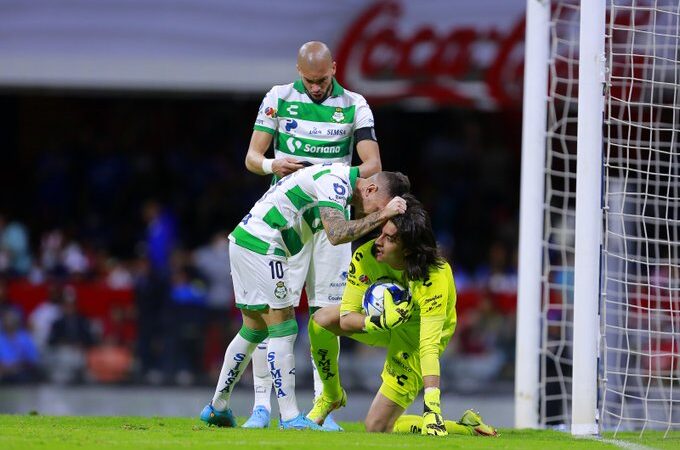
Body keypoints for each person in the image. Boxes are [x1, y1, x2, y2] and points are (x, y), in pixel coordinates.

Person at [199, 163, 409, 430]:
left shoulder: (336, 183)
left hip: (245, 241)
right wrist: (384, 214)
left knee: (252, 329)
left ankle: (217, 407)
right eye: (381, 207)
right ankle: (289, 417)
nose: (381, 215)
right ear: (370, 188)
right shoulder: (336, 181)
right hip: (264, 244)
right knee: (284, 327)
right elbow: (336, 234)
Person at [242, 40, 382, 430]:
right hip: (285, 220)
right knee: (272, 311)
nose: (316, 87)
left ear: (334, 69)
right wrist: (274, 163)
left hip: (331, 221)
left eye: (321, 80)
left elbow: (372, 163)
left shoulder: (355, 104)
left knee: (327, 314)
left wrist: (333, 178)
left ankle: (322, 410)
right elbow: (252, 158)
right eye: (309, 80)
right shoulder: (278, 97)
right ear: (298, 71)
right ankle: (260, 407)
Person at [311, 195, 498, 436]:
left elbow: (428, 346)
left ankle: (466, 428)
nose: (378, 241)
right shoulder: (365, 257)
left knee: (376, 428)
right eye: (381, 233)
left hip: (416, 336)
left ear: (408, 249)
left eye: (389, 239)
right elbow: (347, 318)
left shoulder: (435, 276)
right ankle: (331, 394)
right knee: (321, 320)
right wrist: (378, 321)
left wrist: (432, 407)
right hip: (381, 322)